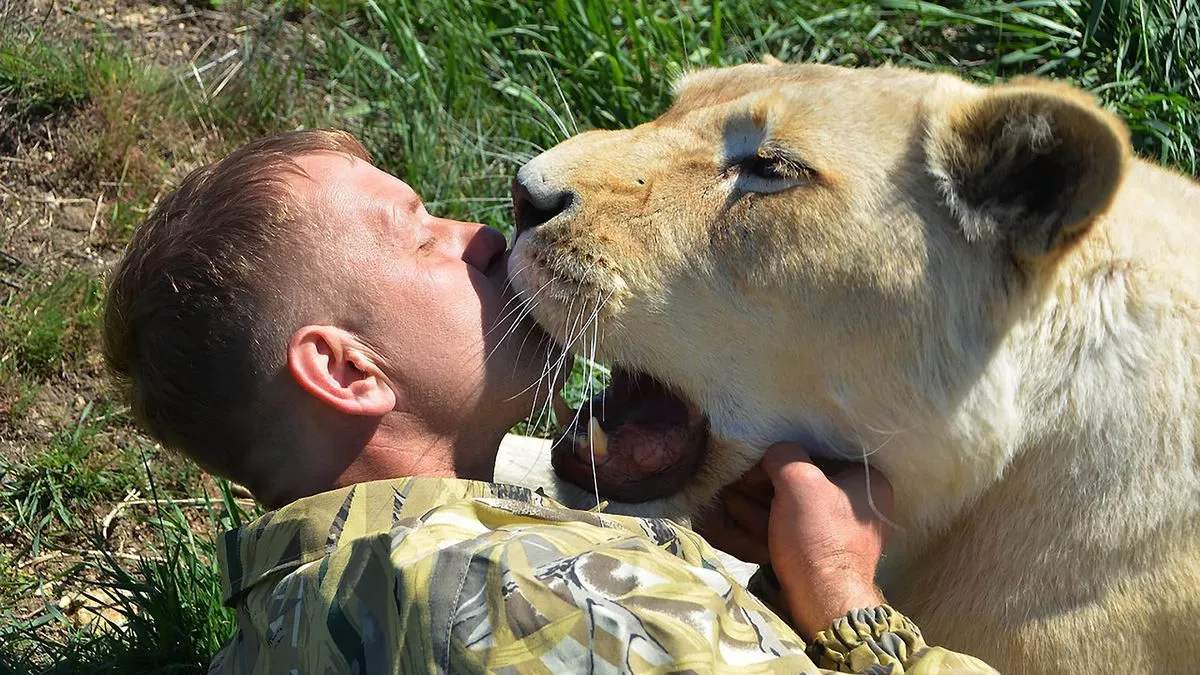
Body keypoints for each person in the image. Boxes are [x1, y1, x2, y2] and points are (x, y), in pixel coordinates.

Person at [103, 129, 998, 674]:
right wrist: (847, 604)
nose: (486, 236)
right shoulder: (521, 595)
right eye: (423, 237)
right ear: (347, 371)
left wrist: (754, 590)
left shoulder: (275, 634)